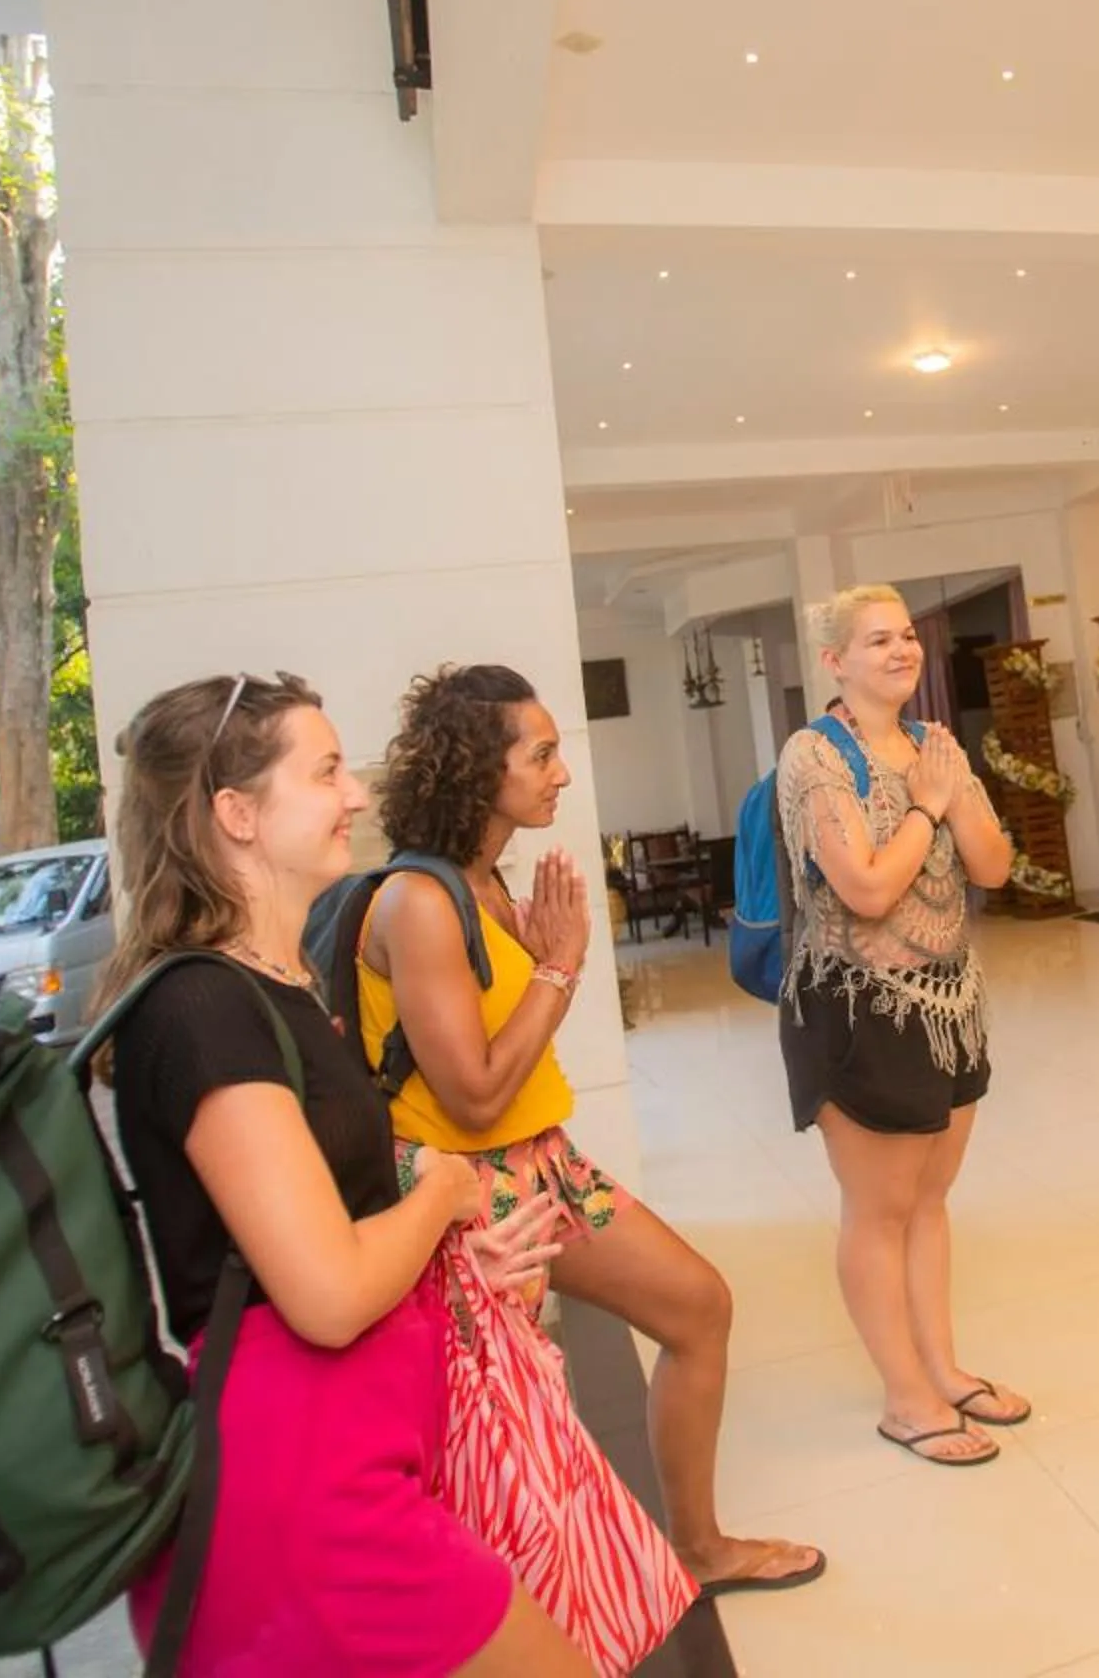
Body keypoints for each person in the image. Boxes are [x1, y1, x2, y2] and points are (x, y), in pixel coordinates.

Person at [100, 671, 587, 1674]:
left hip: (356, 1457)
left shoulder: (274, 985)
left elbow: (311, 1233)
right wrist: (443, 1193)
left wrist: (449, 1262)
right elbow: (324, 1296)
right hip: (302, 1498)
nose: (356, 793)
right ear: (237, 813)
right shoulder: (203, 1012)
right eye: (324, 772)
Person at [359, 665, 824, 1597]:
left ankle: (695, 1549)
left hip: (542, 1165)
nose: (561, 773)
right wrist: (561, 966)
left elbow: (508, 1052)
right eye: (540, 755)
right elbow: (474, 1098)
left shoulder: (484, 882)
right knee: (506, 1419)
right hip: (471, 1192)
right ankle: (513, 1614)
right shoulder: (419, 901)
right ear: (475, 768)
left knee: (697, 1306)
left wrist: (543, 964)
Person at [776, 586, 1026, 1467]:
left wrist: (948, 792)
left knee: (928, 1200)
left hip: (950, 1008)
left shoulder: (935, 747)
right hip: (858, 1012)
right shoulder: (814, 755)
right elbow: (869, 890)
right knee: (879, 1210)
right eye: (877, 640)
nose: (901, 651)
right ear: (835, 661)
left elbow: (994, 865)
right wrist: (926, 807)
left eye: (908, 636)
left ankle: (943, 1369)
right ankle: (904, 1397)